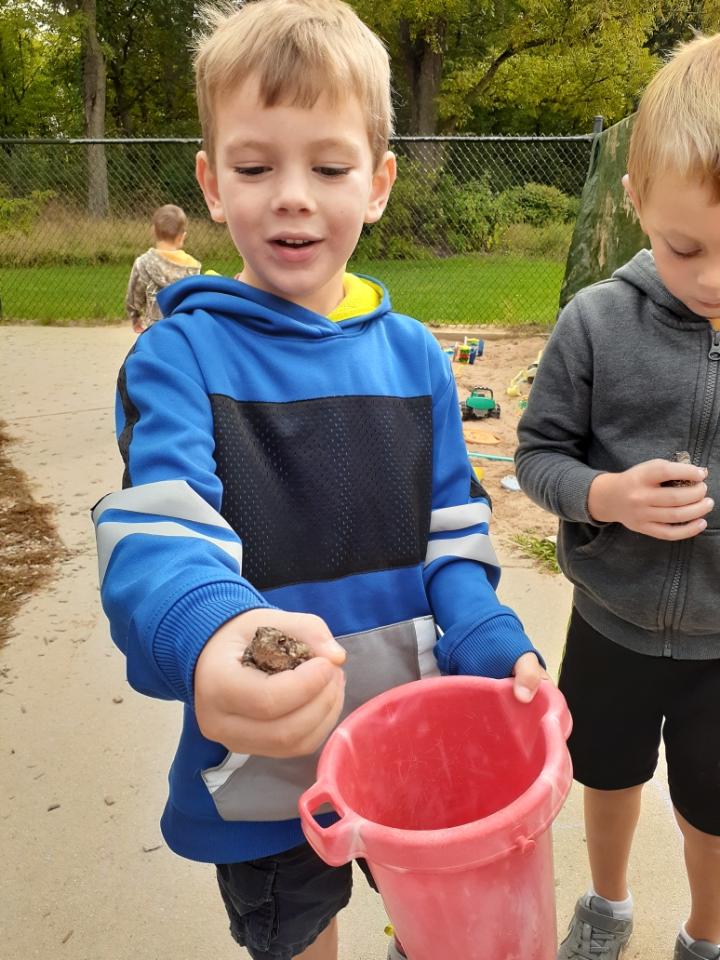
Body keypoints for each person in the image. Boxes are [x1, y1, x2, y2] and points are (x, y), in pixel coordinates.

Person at [93, 2, 547, 958]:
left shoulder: (418, 357)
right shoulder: (179, 358)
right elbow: (159, 535)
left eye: (329, 167)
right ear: (213, 186)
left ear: (378, 183)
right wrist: (215, 632)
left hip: (414, 744)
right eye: (256, 168)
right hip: (269, 778)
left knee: (446, 926)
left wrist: (492, 639)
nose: (293, 196)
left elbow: (455, 537)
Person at [515, 33, 720, 960]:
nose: (715, 279)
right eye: (687, 248)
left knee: (714, 809)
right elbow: (536, 456)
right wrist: (603, 496)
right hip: (609, 621)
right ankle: (608, 905)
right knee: (606, 773)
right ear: (636, 201)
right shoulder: (594, 322)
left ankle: (706, 933)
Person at [125, 203, 201, 332]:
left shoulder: (144, 263)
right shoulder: (192, 267)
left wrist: (135, 317)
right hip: (183, 329)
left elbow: (134, 296)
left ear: (153, 231)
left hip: (156, 330)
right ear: (182, 236)